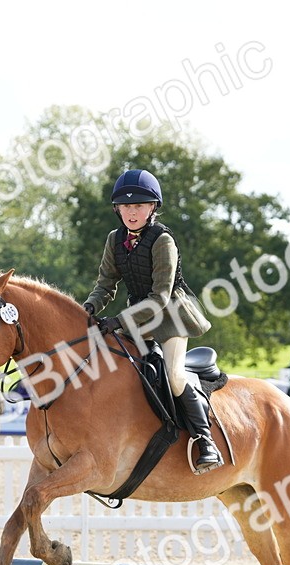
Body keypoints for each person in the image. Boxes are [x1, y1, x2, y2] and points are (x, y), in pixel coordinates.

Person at [82, 168, 219, 473]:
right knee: (119, 369)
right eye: (127, 206)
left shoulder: (163, 241)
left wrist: (117, 321)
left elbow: (159, 298)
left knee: (173, 376)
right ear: (117, 209)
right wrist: (89, 307)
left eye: (139, 206)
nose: (132, 212)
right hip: (138, 319)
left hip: (171, 317)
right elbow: (106, 283)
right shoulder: (115, 239)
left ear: (152, 208)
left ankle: (204, 439)